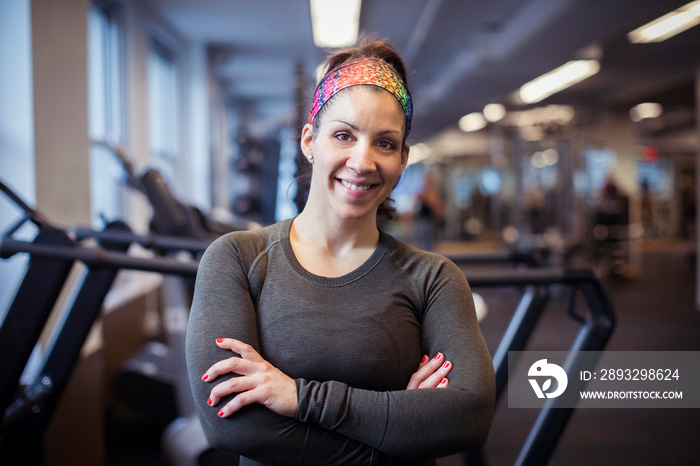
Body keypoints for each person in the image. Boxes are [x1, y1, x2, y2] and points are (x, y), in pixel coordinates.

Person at [185, 38, 495, 465]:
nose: (362, 161)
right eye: (344, 135)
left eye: (385, 143)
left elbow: (470, 416)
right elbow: (230, 423)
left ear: (403, 158)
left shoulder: (434, 278)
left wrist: (299, 397)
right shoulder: (237, 258)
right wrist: (396, 435)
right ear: (310, 140)